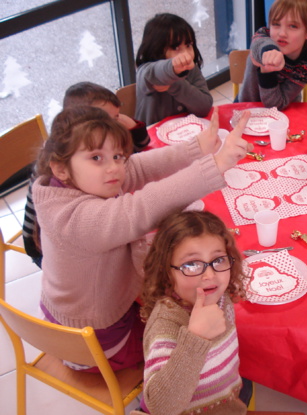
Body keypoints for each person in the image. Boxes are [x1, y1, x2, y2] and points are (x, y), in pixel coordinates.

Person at [32, 105, 252, 372]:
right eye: (96, 158)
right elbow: (140, 209)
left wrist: (196, 148)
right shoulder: (74, 220)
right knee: (198, 335)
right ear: (61, 168)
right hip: (96, 343)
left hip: (73, 319)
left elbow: (136, 167)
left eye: (117, 156)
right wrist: (217, 163)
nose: (114, 167)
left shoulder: (68, 184)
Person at [22, 81, 151, 267]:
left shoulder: (97, 143)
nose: (113, 126)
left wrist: (123, 122)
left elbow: (141, 144)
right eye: (106, 120)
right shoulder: (58, 169)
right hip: (44, 251)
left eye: (116, 117)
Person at [132, 211, 249, 415]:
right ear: (167, 271)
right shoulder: (166, 324)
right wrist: (196, 338)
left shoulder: (219, 295)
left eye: (218, 260)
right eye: (192, 265)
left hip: (225, 398)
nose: (210, 275)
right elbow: (161, 408)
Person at [236, 0, 307, 110]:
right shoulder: (263, 36)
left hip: (284, 110)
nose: (282, 33)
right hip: (247, 107)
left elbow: (276, 104)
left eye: (293, 26)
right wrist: (269, 52)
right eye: (276, 24)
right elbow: (259, 46)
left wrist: (267, 72)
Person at [135, 13, 213, 125]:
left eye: (188, 45)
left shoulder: (192, 69)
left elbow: (204, 107)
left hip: (186, 133)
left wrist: (175, 85)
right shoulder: (146, 72)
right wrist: (172, 69)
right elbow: (157, 73)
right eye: (176, 48)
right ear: (156, 50)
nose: (186, 54)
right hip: (152, 139)